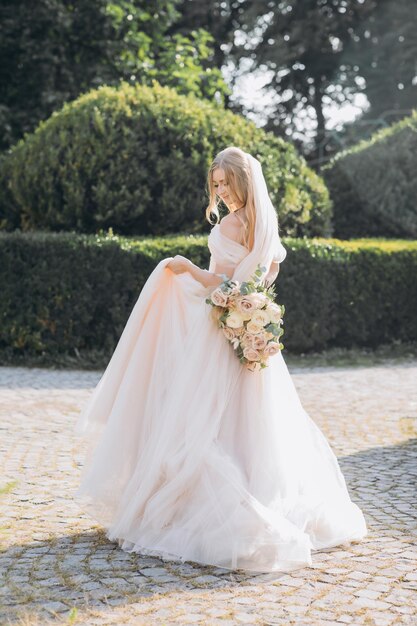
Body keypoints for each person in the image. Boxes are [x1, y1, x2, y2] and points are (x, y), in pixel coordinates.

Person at [74, 146, 367, 573]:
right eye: (216, 185)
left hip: (221, 330)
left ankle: (217, 506)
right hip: (248, 332)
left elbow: (222, 279)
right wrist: (254, 304)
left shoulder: (232, 223)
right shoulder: (262, 222)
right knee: (254, 419)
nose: (222, 192)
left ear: (242, 182)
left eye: (226, 184)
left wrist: (188, 270)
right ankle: (261, 492)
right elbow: (269, 271)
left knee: (204, 415)